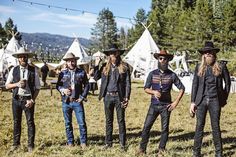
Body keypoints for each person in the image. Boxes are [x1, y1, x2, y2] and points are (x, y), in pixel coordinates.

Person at [136, 50, 185, 156]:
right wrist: (153, 92)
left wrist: (175, 102)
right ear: (158, 60)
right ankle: (142, 149)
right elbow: (145, 88)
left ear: (168, 61)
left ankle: (161, 150)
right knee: (146, 127)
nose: (162, 60)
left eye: (165, 59)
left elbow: (182, 88)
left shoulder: (172, 75)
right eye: (160, 58)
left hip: (166, 106)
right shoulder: (152, 74)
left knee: (164, 129)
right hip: (153, 105)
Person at [190, 41, 231, 157]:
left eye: (210, 52)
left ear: (214, 53)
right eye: (206, 52)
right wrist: (192, 102)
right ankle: (196, 152)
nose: (208, 54)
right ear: (203, 54)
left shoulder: (221, 67)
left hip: (215, 101)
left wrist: (223, 99)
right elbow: (195, 85)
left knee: (215, 127)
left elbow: (227, 84)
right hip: (201, 101)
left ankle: (219, 153)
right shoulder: (199, 67)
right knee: (199, 127)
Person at [94, 44, 131, 151]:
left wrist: (127, 97)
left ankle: (122, 144)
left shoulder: (124, 67)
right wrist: (96, 65)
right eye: (110, 53)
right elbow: (96, 77)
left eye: (114, 53)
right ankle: (108, 143)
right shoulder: (105, 66)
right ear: (108, 55)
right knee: (108, 121)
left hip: (119, 97)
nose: (112, 55)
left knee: (121, 121)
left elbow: (128, 83)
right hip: (107, 97)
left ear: (118, 53)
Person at [5, 47, 41, 152]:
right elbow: (7, 86)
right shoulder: (14, 70)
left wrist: (32, 100)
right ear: (18, 58)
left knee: (30, 122)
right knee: (16, 122)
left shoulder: (33, 70)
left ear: (27, 58)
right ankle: (16, 144)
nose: (23, 58)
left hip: (28, 100)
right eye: (21, 56)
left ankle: (31, 145)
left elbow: (38, 88)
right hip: (16, 100)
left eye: (25, 56)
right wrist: (16, 84)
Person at [56, 52, 89, 149]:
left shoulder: (81, 72)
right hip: (66, 102)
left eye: (73, 61)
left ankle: (83, 142)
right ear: (66, 62)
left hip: (77, 101)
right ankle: (70, 142)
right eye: (69, 61)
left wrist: (82, 97)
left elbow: (87, 85)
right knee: (67, 123)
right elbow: (58, 85)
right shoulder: (62, 73)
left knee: (82, 122)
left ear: (75, 61)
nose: (71, 63)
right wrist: (63, 90)